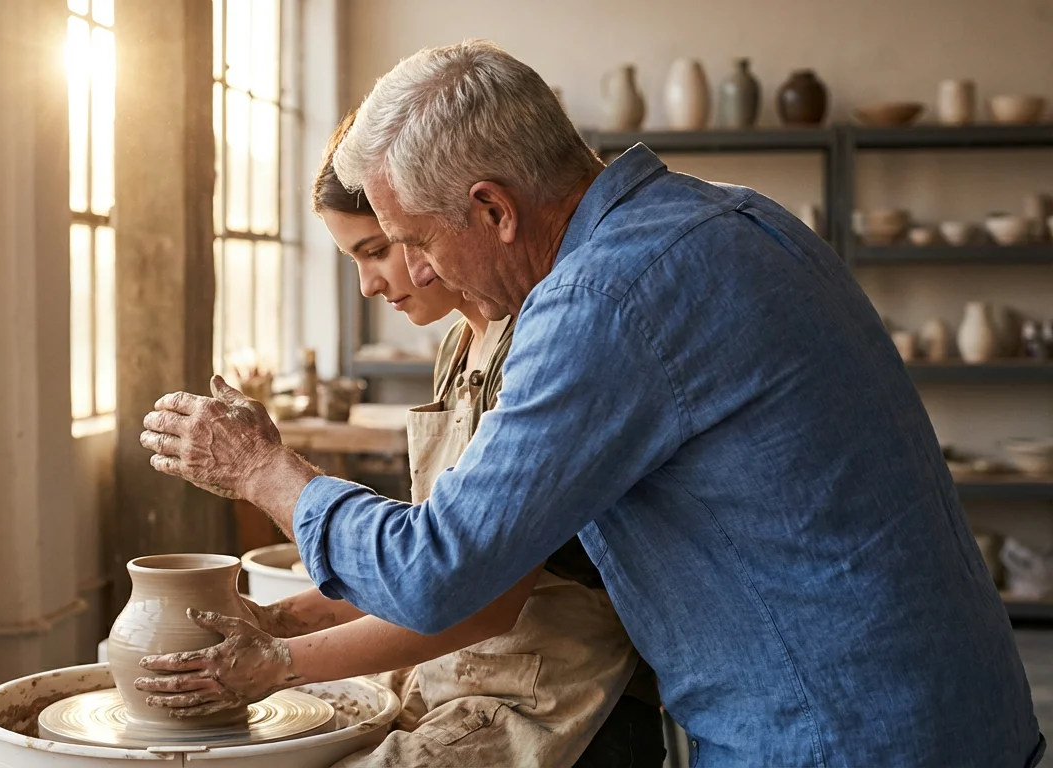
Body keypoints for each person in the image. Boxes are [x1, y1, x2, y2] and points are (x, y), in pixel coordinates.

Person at [140, 40, 1044, 766]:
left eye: (417, 241)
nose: (420, 275)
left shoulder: (602, 300)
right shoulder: (735, 215)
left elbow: (441, 571)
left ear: (493, 208)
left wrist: (263, 468)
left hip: (835, 733)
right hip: (949, 705)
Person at [134, 112, 665, 768]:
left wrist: (277, 658)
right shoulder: (457, 348)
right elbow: (423, 558)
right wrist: (274, 622)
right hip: (459, 677)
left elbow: (474, 601)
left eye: (377, 249)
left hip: (561, 703)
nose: (371, 283)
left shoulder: (548, 343)